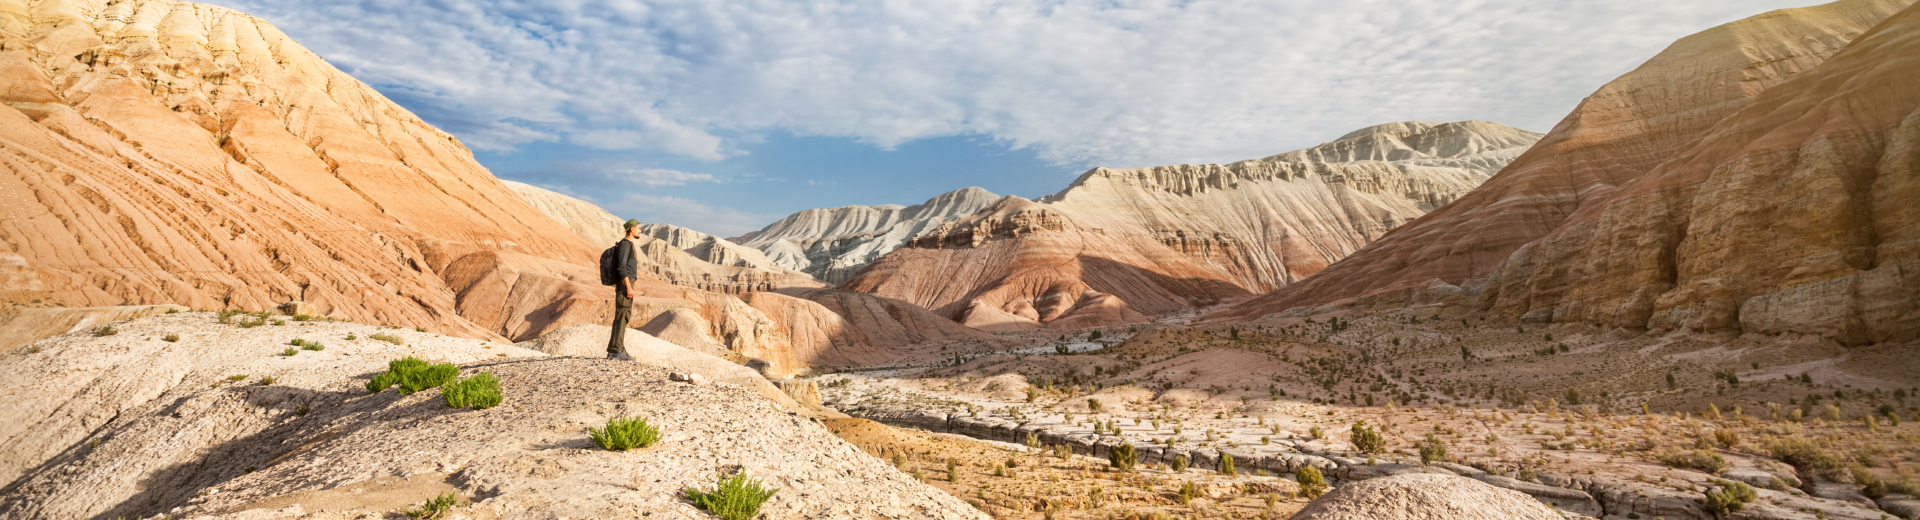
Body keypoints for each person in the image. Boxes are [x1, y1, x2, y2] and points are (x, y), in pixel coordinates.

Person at [608, 219, 642, 358]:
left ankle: (615, 349)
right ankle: (617, 351)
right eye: (639, 228)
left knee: (622, 316)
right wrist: (628, 286)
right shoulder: (625, 245)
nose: (640, 231)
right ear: (631, 229)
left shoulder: (628, 245)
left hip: (626, 283)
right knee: (622, 315)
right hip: (625, 284)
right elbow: (621, 267)